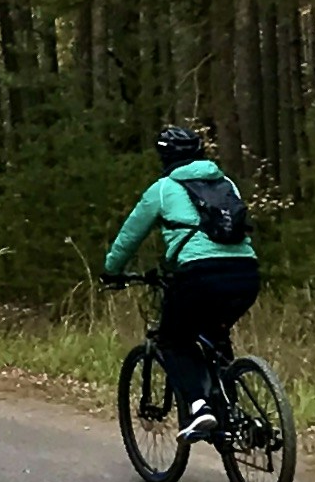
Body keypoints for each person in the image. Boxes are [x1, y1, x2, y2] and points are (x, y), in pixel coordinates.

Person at [104, 124, 259, 439]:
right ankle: (235, 413)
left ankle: (200, 407)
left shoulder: (162, 189)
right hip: (246, 273)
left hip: (199, 275)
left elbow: (129, 236)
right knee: (215, 335)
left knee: (172, 340)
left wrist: (111, 270)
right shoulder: (226, 182)